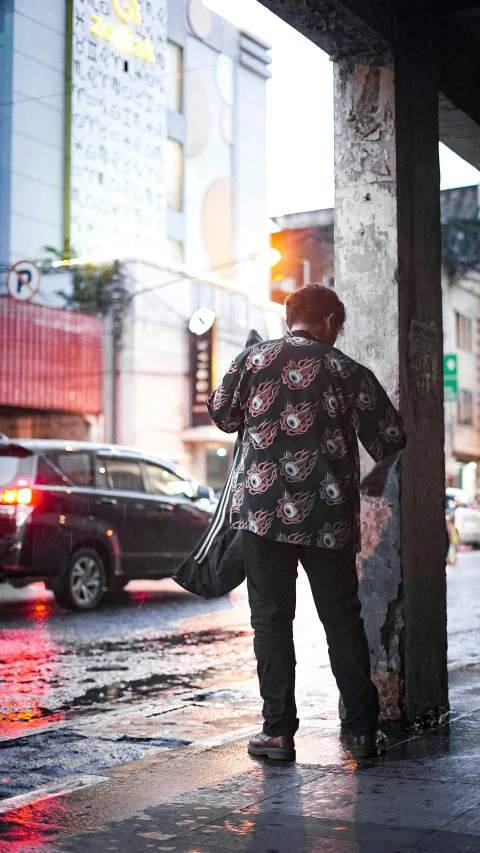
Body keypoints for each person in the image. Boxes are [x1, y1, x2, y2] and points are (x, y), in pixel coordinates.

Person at [206, 284, 406, 760]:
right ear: (332, 323)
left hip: (262, 516)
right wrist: (374, 479)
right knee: (341, 621)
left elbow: (221, 414)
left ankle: (277, 733)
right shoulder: (347, 370)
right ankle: (361, 732)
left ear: (287, 318)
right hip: (329, 518)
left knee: (271, 622)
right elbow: (392, 436)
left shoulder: (253, 360)